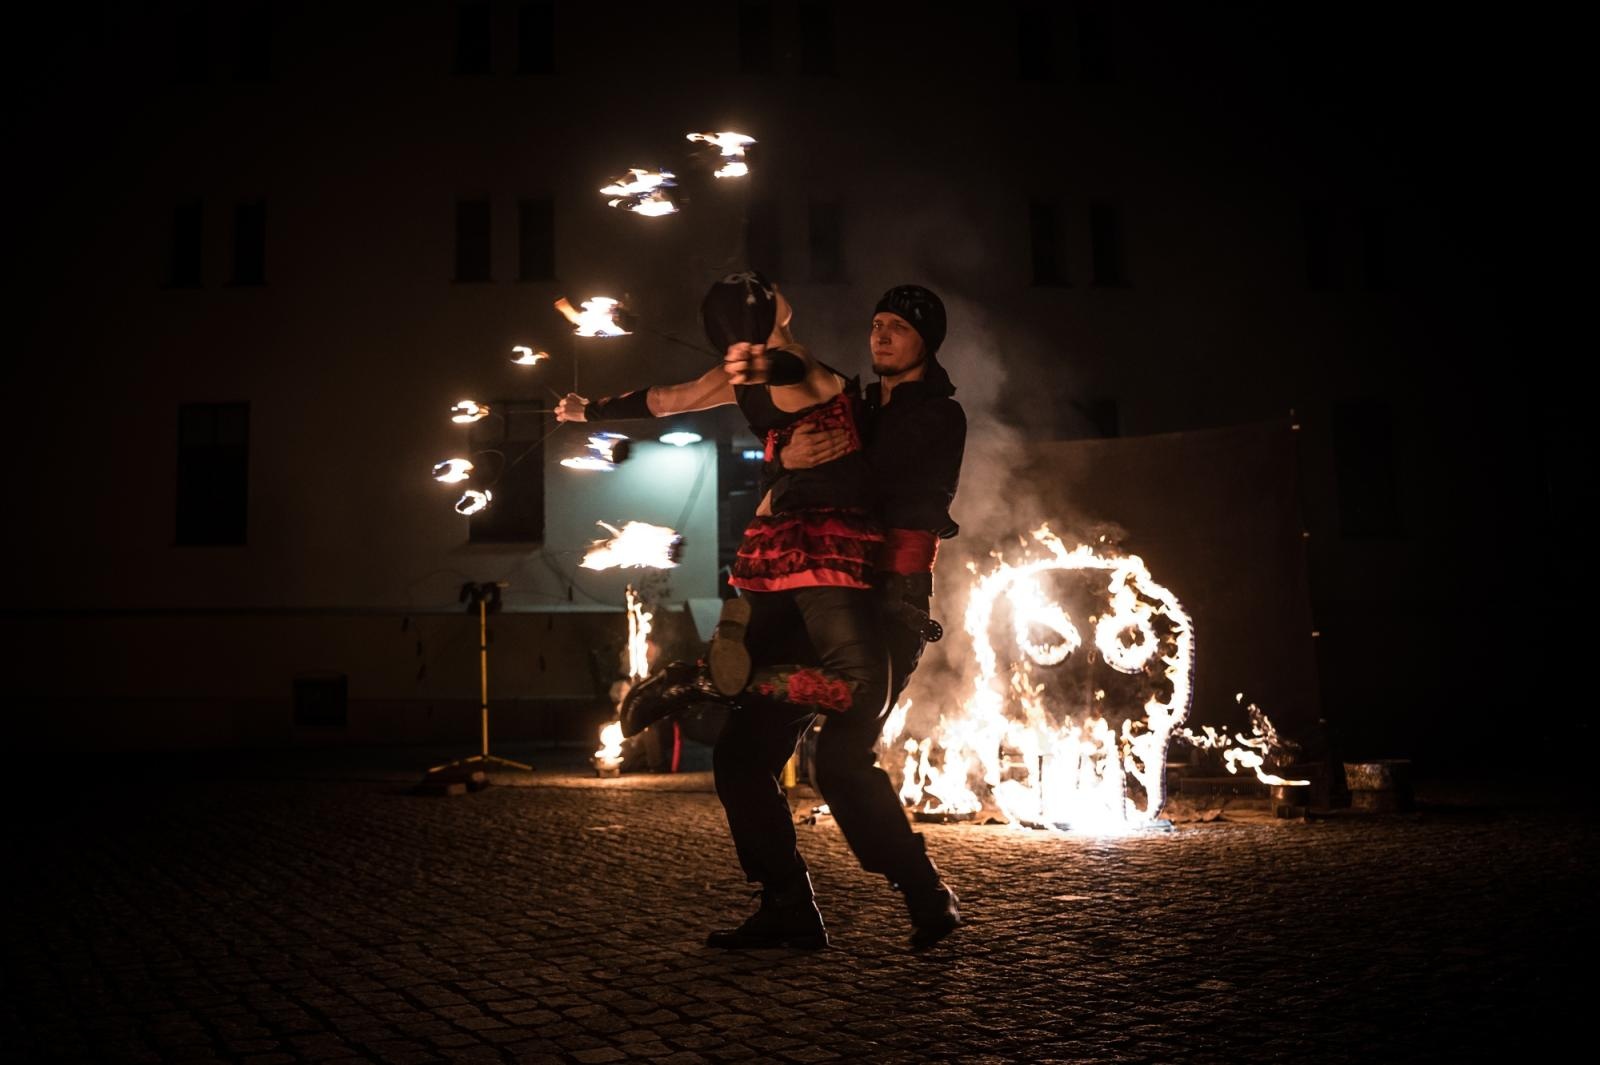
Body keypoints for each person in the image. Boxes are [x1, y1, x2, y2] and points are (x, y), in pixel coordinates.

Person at [556, 274, 962, 951]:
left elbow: (862, 469)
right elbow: (686, 395)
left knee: (841, 760)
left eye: (899, 327)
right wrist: (594, 410)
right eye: (878, 322)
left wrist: (776, 449)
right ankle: (788, 907)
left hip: (888, 599)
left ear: (928, 341)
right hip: (819, 576)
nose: (879, 334)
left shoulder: (936, 414)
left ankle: (925, 893)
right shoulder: (846, 388)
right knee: (743, 757)